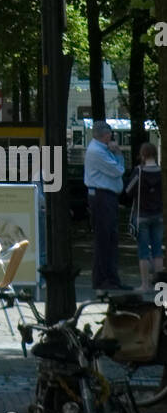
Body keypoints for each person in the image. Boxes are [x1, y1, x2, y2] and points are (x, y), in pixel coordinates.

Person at [84, 121, 130, 294]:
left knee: (108, 239)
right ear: (106, 135)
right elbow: (118, 170)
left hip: (105, 197)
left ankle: (108, 278)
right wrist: (118, 153)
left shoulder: (101, 150)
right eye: (110, 134)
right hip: (102, 198)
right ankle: (105, 279)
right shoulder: (98, 152)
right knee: (105, 239)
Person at [125, 143, 163, 292]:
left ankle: (145, 284)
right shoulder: (161, 172)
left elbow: (128, 190)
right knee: (157, 250)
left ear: (142, 155)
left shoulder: (139, 172)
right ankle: (160, 285)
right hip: (158, 214)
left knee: (143, 251)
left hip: (142, 215)